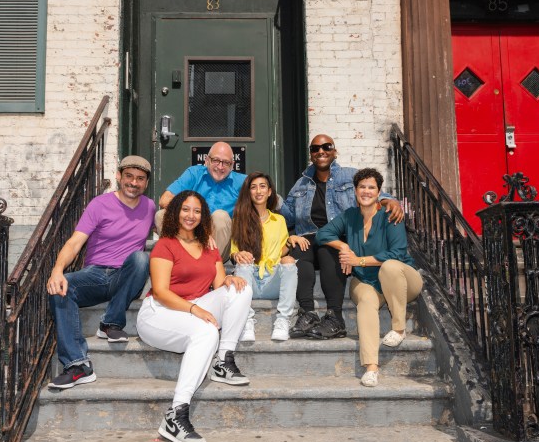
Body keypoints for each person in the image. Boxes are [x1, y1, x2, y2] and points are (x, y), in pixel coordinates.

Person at [137, 190, 252, 442]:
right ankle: (176, 415)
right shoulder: (165, 245)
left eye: (197, 211)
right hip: (159, 313)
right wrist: (194, 309)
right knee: (207, 332)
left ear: (204, 216)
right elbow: (162, 292)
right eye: (186, 209)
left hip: (194, 306)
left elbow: (219, 282)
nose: (191, 215)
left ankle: (223, 360)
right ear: (176, 212)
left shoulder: (209, 247)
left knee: (240, 288)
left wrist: (229, 280)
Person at [280, 134, 404, 339]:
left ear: (334, 151)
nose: (321, 151)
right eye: (315, 148)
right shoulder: (301, 184)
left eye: (326, 146)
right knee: (298, 255)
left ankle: (335, 317)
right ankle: (307, 313)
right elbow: (287, 217)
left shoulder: (349, 176)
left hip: (338, 237)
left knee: (329, 249)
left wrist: (391, 201)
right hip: (308, 237)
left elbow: (370, 191)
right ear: (311, 154)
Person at [46, 156, 155, 389]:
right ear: (119, 176)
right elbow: (75, 243)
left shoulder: (150, 207)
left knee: (140, 258)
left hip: (125, 277)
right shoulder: (99, 204)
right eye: (129, 176)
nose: (134, 183)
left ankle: (110, 323)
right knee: (61, 288)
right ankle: (77, 365)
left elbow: (173, 231)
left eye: (140, 179)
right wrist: (57, 270)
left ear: (146, 183)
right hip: (95, 275)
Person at [316, 168, 423, 387]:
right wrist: (344, 246)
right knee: (365, 301)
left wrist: (359, 261)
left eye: (371, 187)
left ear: (379, 192)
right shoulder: (350, 216)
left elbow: (397, 254)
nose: (366, 191)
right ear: (355, 191)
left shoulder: (391, 215)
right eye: (362, 187)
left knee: (390, 267)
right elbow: (322, 234)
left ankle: (399, 328)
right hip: (367, 281)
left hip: (401, 281)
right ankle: (371, 367)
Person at [230, 172, 298, 342]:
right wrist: (238, 254)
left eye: (262, 186)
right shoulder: (239, 218)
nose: (258, 191)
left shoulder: (279, 220)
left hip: (271, 280)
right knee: (243, 264)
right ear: (248, 192)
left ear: (269, 192)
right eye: (253, 187)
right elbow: (233, 251)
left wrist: (290, 241)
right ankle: (246, 321)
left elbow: (280, 253)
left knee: (289, 262)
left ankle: (282, 320)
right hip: (248, 280)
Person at [156, 141, 246, 259]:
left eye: (226, 163)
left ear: (232, 165)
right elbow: (164, 200)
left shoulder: (243, 182)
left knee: (220, 216)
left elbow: (265, 200)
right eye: (216, 160)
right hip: (190, 234)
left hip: (220, 243)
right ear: (207, 160)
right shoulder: (194, 173)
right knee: (161, 215)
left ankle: (209, 265)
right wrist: (196, 222)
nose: (220, 166)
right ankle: (177, 258)